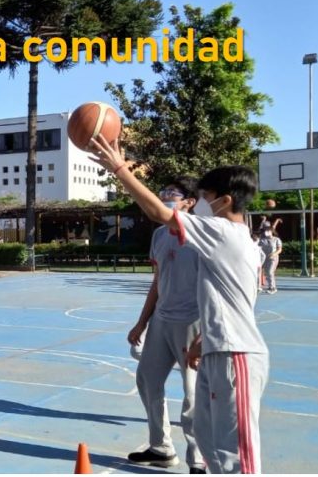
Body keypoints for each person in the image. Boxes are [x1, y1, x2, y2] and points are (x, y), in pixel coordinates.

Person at [91, 136, 268, 474]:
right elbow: (231, 297)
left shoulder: (223, 232)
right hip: (215, 344)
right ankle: (167, 448)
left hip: (237, 354)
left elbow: (158, 212)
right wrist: (205, 337)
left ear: (225, 201)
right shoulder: (225, 238)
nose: (200, 202)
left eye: (204, 197)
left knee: (237, 455)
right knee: (207, 435)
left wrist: (119, 170)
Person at [125, 177, 205, 472]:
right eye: (164, 191)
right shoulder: (160, 235)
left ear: (190, 202)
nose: (165, 196)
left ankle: (198, 459)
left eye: (172, 193)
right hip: (162, 319)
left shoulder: (202, 235)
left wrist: (208, 331)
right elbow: (157, 282)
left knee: (194, 394)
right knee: (146, 380)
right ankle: (160, 447)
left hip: (192, 321)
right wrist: (141, 322)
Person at [258, 227, 283, 294]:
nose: (266, 232)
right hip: (264, 258)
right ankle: (267, 287)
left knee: (270, 272)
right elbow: (258, 247)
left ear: (271, 231)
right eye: (265, 231)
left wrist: (274, 254)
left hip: (273, 258)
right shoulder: (262, 240)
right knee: (266, 273)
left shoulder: (276, 239)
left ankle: (273, 288)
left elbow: (279, 249)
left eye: (268, 231)